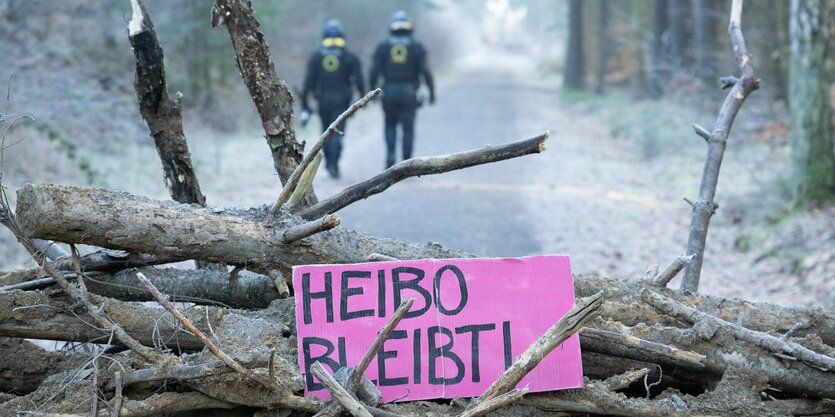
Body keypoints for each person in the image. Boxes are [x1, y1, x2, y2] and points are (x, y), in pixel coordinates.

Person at [369, 11, 435, 168]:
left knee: (390, 125)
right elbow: (426, 71)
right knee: (408, 128)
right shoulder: (416, 46)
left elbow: (373, 71)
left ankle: (390, 156)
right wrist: (431, 91)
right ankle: (407, 163)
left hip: (389, 92)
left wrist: (372, 92)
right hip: (409, 92)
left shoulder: (383, 46)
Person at [301, 19, 365, 178]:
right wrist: (363, 98)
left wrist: (304, 103)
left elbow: (308, 82)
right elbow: (359, 80)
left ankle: (330, 163)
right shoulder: (349, 56)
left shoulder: (316, 56)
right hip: (342, 101)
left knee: (325, 132)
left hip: (323, 101)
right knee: (339, 132)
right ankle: (334, 164)